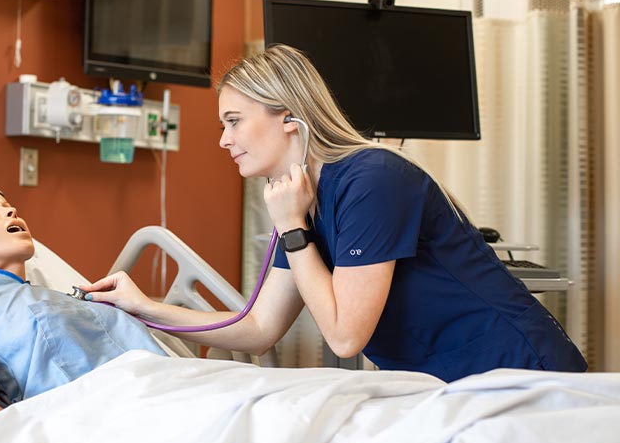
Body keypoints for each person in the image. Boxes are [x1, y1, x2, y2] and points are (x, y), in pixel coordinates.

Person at [82, 44, 587, 383]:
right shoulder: (302, 199)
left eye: (234, 121)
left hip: (520, 373)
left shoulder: (373, 179)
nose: (223, 139)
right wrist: (142, 305)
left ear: (289, 118)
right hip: (451, 386)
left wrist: (291, 231)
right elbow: (259, 329)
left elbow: (346, 336)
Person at [0, 182, 165, 437]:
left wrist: (148, 308)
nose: (11, 211)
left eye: (7, 206)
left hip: (176, 391)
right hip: (111, 426)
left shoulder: (72, 299)